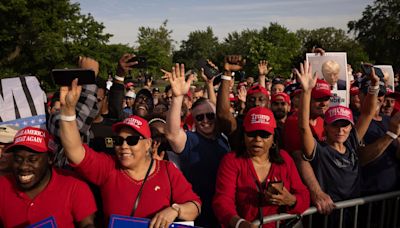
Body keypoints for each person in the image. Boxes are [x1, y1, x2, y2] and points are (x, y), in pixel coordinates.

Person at [58, 79, 201, 227]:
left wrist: (175, 210)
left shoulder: (167, 170)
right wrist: (68, 110)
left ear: (148, 144)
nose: (124, 145)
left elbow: (195, 206)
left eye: (132, 140)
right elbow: (74, 151)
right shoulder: (109, 167)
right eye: (119, 141)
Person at [297, 60, 378, 205]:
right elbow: (304, 127)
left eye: (345, 125)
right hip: (330, 215)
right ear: (326, 127)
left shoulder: (351, 142)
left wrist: (374, 85)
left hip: (354, 213)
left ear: (350, 126)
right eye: (335, 125)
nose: (341, 130)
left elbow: (367, 113)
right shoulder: (319, 150)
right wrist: (306, 91)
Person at [213, 107, 309, 228]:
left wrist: (292, 201)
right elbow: (222, 201)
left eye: (264, 134)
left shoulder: (284, 159)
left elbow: (304, 195)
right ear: (243, 135)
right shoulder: (231, 161)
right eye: (252, 133)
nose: (258, 139)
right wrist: (240, 224)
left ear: (273, 137)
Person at [165, 63, 230, 227]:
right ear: (194, 121)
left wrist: (211, 85)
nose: (206, 121)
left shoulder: (225, 139)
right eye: (200, 118)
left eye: (210, 116)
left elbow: (218, 110)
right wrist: (178, 97)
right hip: (199, 214)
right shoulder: (190, 140)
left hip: (224, 213)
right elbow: (172, 134)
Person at [0, 126, 97, 227]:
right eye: (18, 159)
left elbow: (88, 225)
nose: (23, 166)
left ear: (50, 158)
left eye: (32, 160)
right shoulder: (2, 186)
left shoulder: (75, 186)